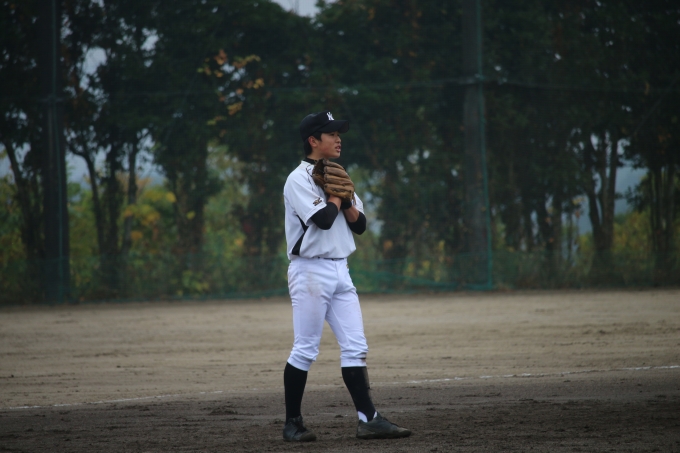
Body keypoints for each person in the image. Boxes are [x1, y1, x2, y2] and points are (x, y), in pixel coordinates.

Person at [281, 110, 412, 442]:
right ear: (313, 140)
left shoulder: (338, 174)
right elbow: (324, 220)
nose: (338, 139)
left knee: (356, 346)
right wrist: (337, 194)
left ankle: (369, 420)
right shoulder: (298, 179)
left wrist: (343, 194)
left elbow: (360, 225)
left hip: (341, 269)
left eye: (339, 133)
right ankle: (292, 423)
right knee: (305, 349)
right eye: (332, 134)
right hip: (310, 272)